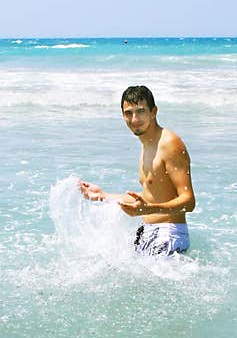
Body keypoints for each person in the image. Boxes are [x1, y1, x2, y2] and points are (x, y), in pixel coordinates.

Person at [79, 85, 195, 256]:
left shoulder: (170, 144)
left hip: (168, 234)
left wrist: (148, 210)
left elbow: (188, 202)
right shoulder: (147, 144)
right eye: (128, 113)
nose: (134, 119)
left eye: (140, 111)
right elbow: (150, 196)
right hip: (148, 232)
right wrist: (103, 196)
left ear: (153, 112)